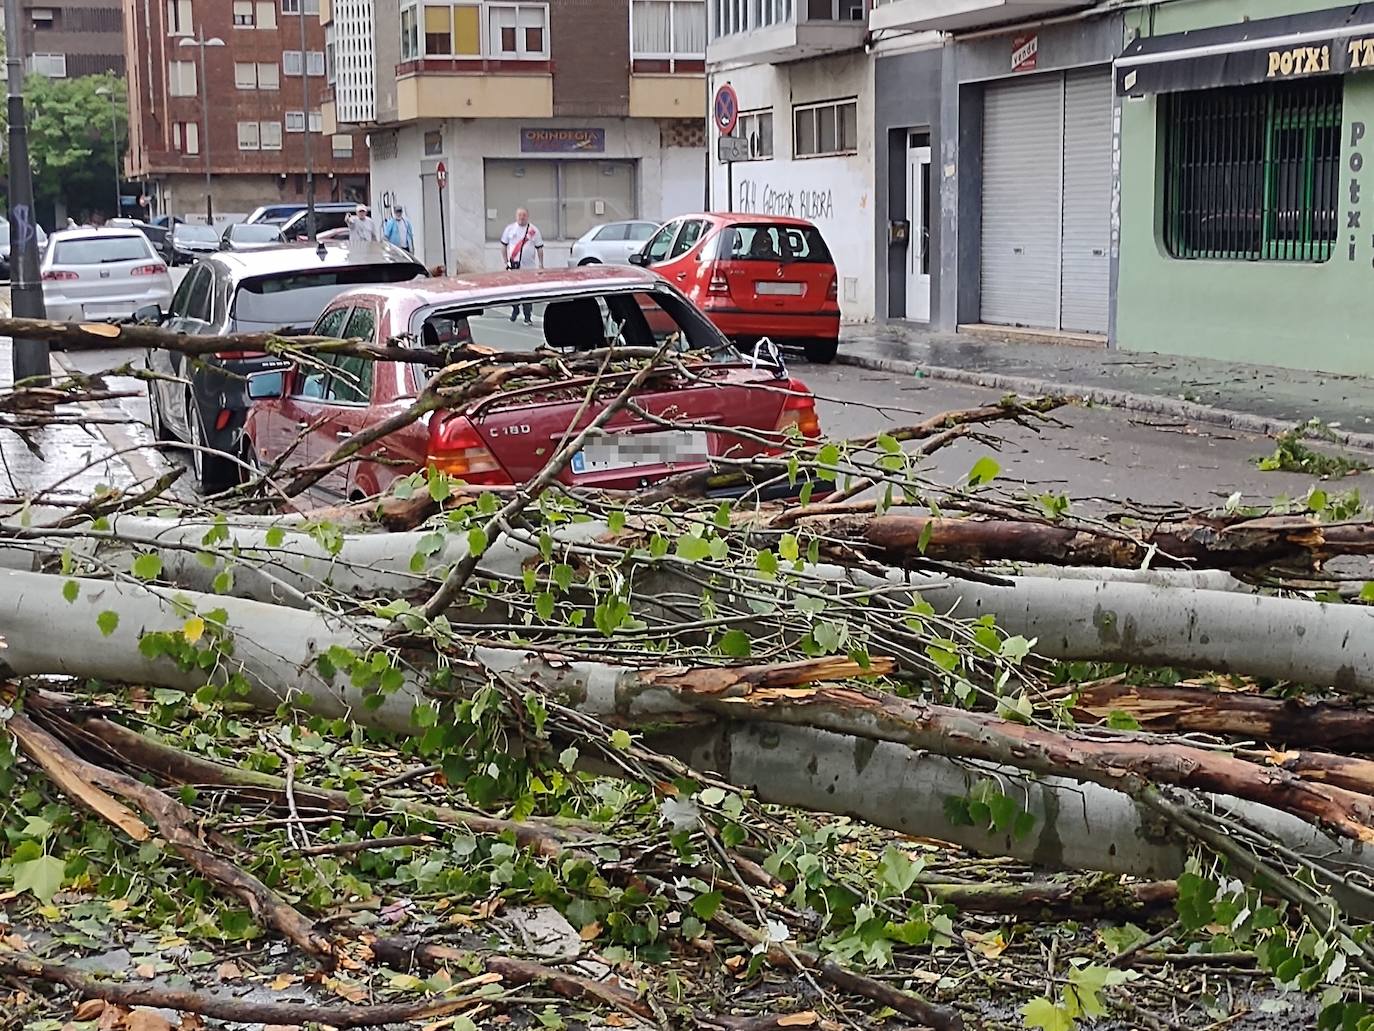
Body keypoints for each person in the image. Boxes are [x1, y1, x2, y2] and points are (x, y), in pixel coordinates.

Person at [499, 207, 543, 325]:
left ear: (527, 216)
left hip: (529, 269)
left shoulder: (533, 230)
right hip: (514, 267)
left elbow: (539, 248)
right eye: (519, 215)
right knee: (513, 291)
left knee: (527, 293)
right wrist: (505, 262)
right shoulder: (510, 229)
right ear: (516, 216)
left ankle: (527, 316)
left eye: (523, 215)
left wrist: (541, 264)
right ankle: (515, 309)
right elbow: (503, 246)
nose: (521, 218)